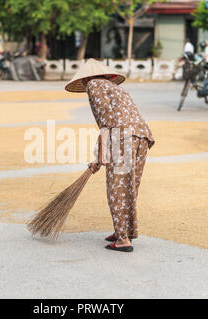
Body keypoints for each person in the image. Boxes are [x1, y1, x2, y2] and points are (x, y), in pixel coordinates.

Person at [65, 59, 155, 253]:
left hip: (123, 139)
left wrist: (101, 155)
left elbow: (106, 123)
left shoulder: (94, 85)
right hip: (142, 137)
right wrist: (100, 155)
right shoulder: (115, 88)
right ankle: (123, 231)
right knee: (128, 186)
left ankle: (123, 240)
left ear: (86, 78)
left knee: (117, 187)